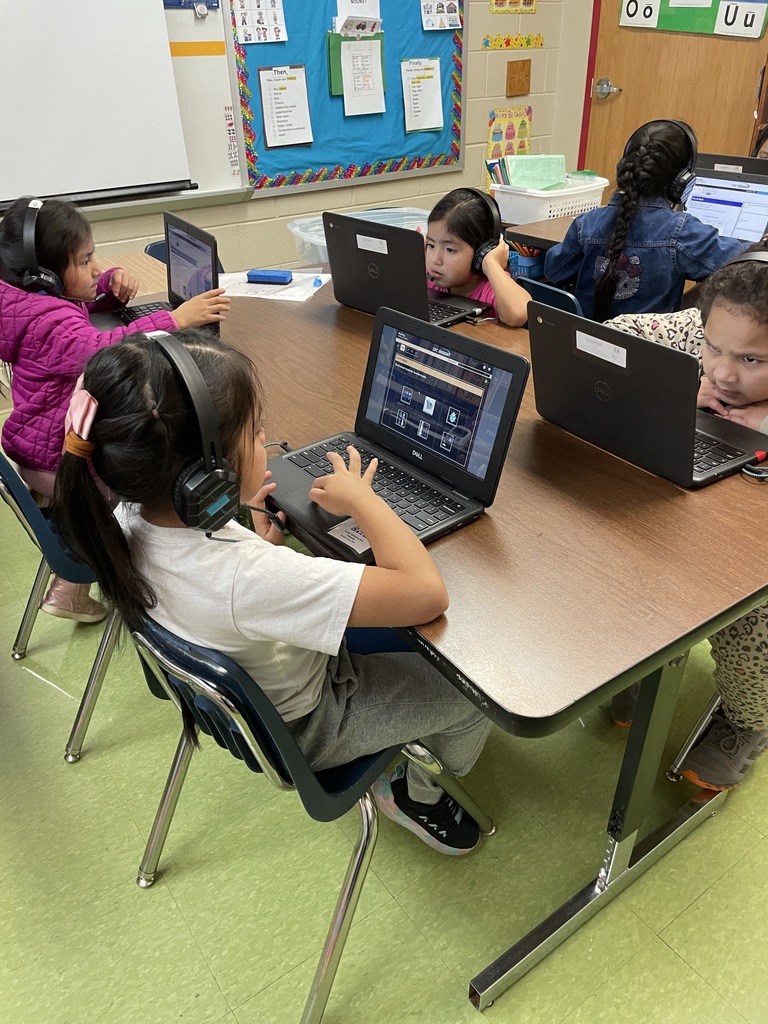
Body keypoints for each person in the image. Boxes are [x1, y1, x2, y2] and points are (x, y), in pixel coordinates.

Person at [52, 330, 492, 855]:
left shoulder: (124, 518)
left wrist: (255, 537)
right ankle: (417, 794)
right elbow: (426, 594)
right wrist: (365, 501)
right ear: (203, 477)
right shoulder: (249, 578)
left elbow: (226, 589)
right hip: (317, 720)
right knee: (476, 692)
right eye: (256, 431)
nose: (267, 438)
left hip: (254, 691)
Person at [0, 196, 229, 622]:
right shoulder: (50, 321)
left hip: (34, 446)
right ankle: (75, 587)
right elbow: (106, 348)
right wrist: (177, 319)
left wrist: (105, 285)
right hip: (61, 459)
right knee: (158, 456)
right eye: (86, 261)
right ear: (45, 275)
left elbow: (74, 306)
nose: (94, 267)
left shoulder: (24, 300)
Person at [607, 251, 768, 790]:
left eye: (752, 360)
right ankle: (643, 659)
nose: (722, 372)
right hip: (684, 517)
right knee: (627, 553)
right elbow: (608, 335)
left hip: (755, 556)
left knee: (754, 624)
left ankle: (747, 718)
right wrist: (672, 385)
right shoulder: (709, 319)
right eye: (713, 348)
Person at [544, 120, 744, 322]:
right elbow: (746, 262)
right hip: (646, 351)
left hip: (585, 345)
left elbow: (553, 270)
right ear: (682, 182)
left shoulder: (585, 225)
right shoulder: (681, 233)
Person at [425, 187, 529, 327]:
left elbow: (518, 314)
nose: (435, 260)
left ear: (482, 251)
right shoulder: (430, 278)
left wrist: (491, 262)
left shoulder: (490, 289)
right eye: (431, 245)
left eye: (450, 250)